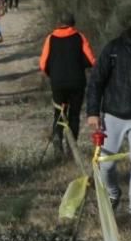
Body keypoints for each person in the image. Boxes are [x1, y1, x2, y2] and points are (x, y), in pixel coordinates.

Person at [86, 8, 131, 214]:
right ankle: (113, 192)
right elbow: (96, 81)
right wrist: (92, 112)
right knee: (105, 164)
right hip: (113, 114)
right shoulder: (114, 48)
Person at [40, 13, 96, 146]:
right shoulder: (80, 37)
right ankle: (72, 148)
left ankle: (57, 145)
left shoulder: (51, 38)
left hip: (58, 82)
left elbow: (43, 64)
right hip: (77, 82)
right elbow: (91, 60)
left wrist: (52, 74)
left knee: (59, 113)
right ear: (73, 23)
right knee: (74, 115)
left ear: (59, 23)